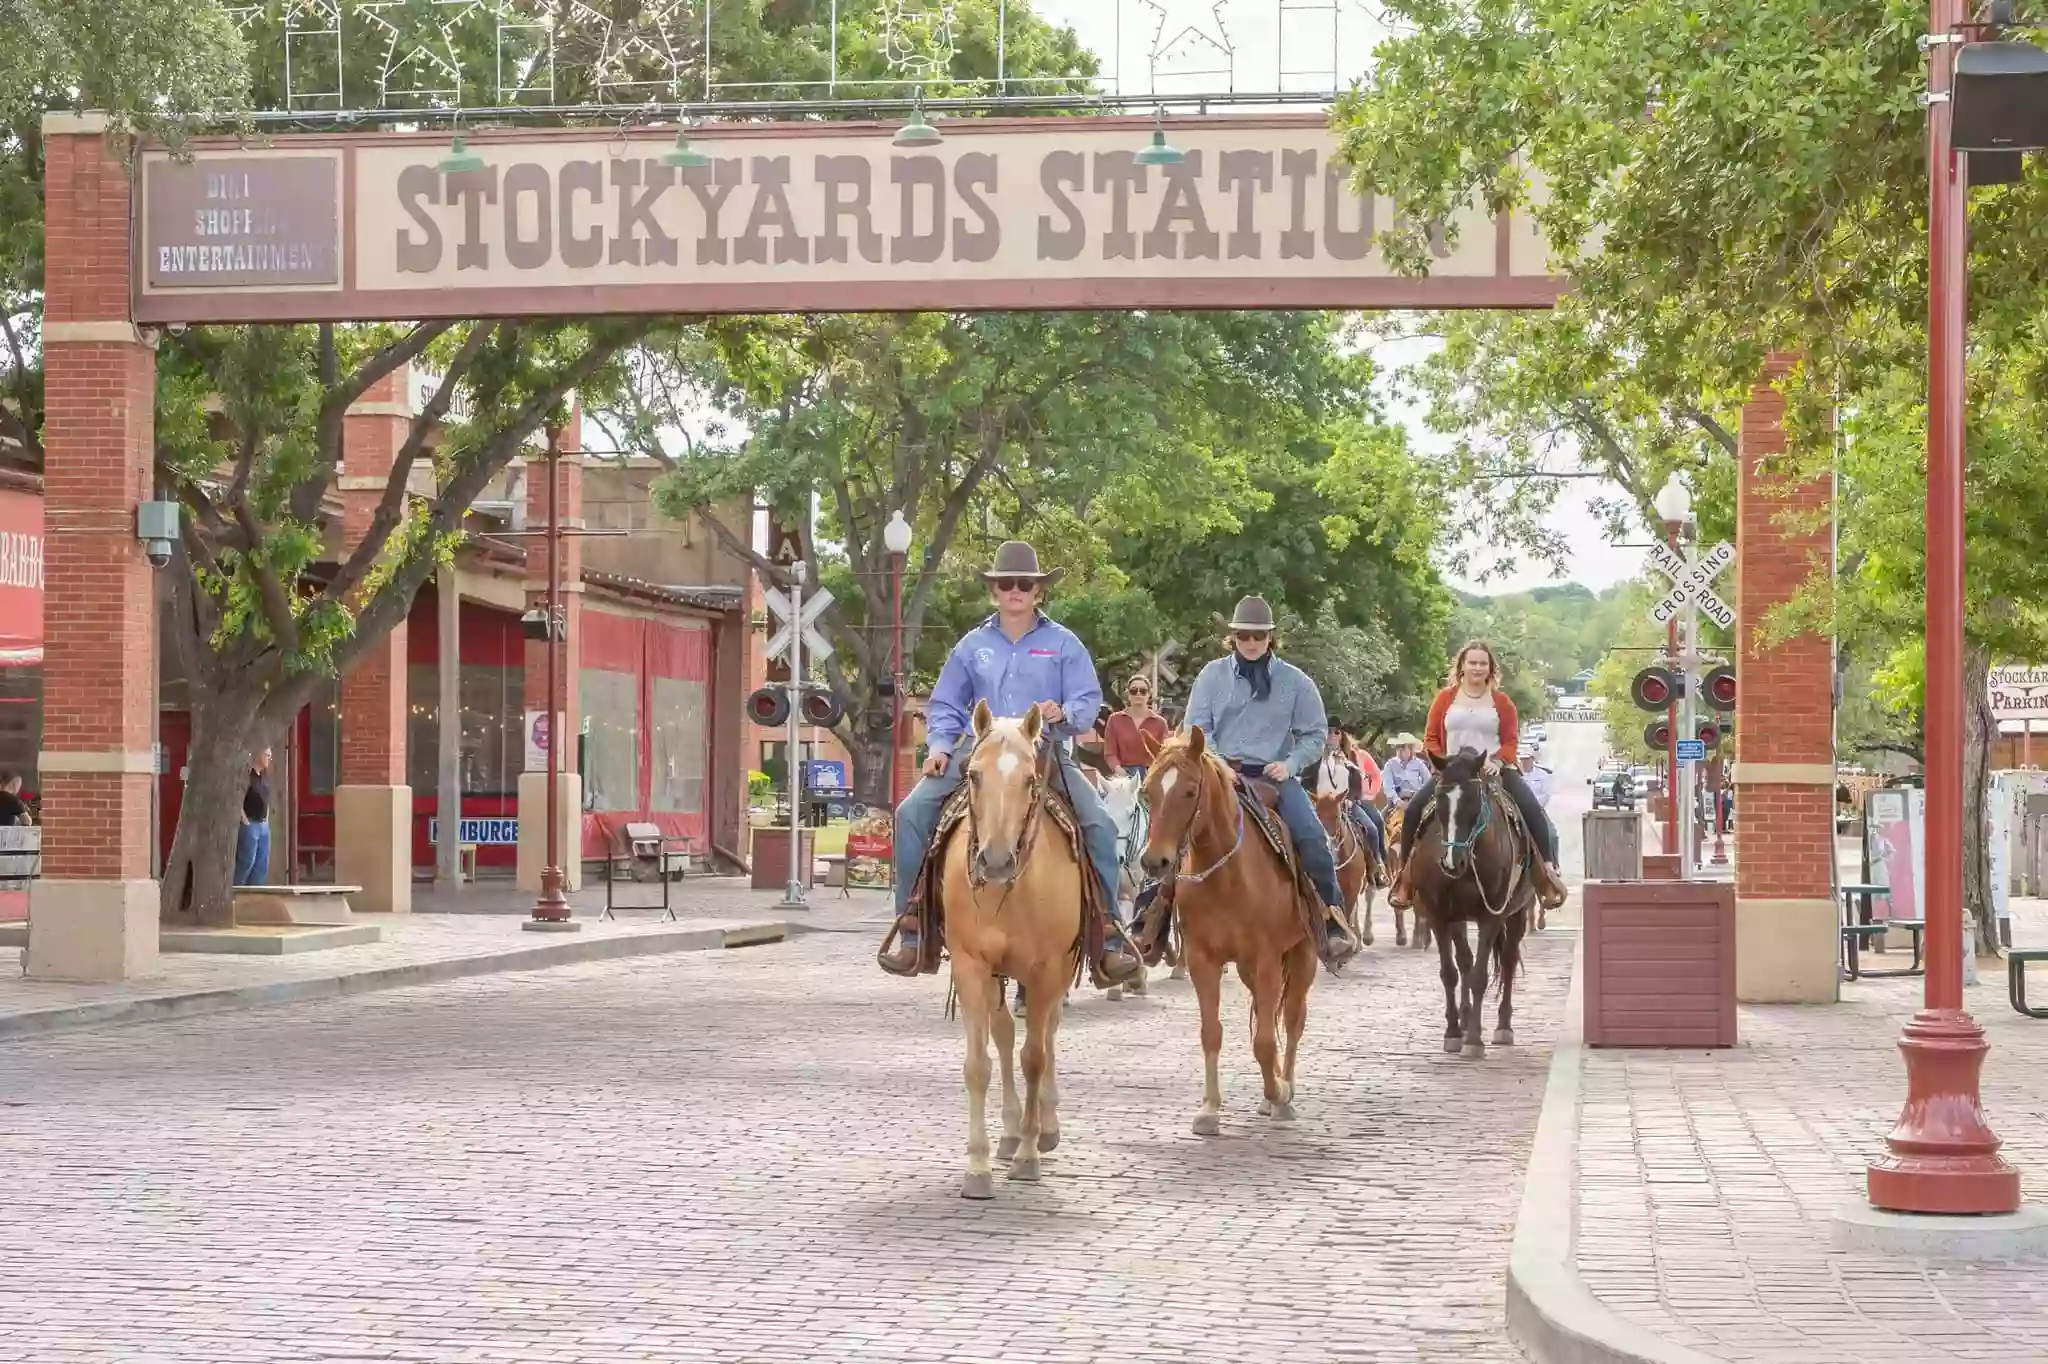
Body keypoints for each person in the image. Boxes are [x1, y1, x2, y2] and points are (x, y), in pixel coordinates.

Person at [878, 542, 1139, 983]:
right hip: (977, 754)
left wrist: (1066, 713)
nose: (1015, 591)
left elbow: (1087, 699)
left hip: (1044, 755)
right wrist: (940, 746)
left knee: (1098, 823)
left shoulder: (1063, 644)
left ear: (1038, 593)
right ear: (994, 591)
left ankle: (1107, 933)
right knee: (911, 814)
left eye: (1024, 584)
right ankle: (912, 926)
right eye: (1006, 584)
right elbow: (945, 704)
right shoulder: (971, 645)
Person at [1133, 595, 1356, 968]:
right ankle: (1150, 914)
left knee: (1312, 834)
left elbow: (1314, 735)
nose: (1250, 642)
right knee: (1172, 824)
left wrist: (1290, 763)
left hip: (1273, 776)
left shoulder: (1296, 682)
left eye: (1258, 636)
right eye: (1243, 636)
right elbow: (1195, 728)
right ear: (1232, 637)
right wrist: (1219, 764)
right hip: (1218, 773)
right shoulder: (1211, 675)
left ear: (1271, 638)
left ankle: (1330, 917)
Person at [1388, 643, 1567, 911]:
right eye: (1472, 663)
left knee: (1534, 812)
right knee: (1414, 810)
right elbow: (1431, 738)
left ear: (1490, 669)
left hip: (1493, 770)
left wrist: (1499, 761)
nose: (1477, 668)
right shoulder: (1444, 699)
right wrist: (1442, 763)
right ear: (1461, 666)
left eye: (1483, 663)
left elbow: (1510, 740)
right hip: (1452, 771)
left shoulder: (1502, 703)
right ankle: (1404, 878)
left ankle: (1547, 875)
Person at [1104, 675, 1170, 781]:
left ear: (1149, 694)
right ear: (1128, 695)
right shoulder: (1115, 720)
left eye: (1143, 691)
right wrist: (1118, 770)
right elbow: (1110, 753)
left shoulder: (1160, 723)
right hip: (1123, 774)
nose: (1138, 694)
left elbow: (1165, 754)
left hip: (1151, 775)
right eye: (1134, 691)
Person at [235, 746, 273, 887]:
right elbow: (237, 798)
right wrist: (243, 818)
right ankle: (237, 891)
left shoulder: (264, 777)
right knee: (247, 862)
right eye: (267, 755)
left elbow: (266, 798)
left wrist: (267, 817)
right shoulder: (247, 776)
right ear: (259, 755)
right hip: (250, 823)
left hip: (263, 825)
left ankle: (256, 892)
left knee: (261, 864)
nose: (270, 758)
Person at [1518, 744, 1559, 864]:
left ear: (1533, 759)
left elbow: (1546, 794)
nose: (1525, 762)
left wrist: (1533, 808)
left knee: (1552, 835)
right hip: (1518, 810)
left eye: (1527, 759)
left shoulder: (1542, 775)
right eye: (1522, 759)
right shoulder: (1515, 776)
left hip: (1537, 810)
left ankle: (1554, 863)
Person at [1382, 733, 1431, 803]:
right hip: (1397, 801)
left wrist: (1416, 795)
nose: (1400, 750)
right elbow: (1388, 787)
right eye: (1398, 747)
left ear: (1411, 749)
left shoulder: (1420, 764)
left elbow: (1428, 783)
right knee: (1384, 813)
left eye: (1403, 747)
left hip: (1418, 800)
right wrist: (1398, 801)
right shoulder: (1390, 765)